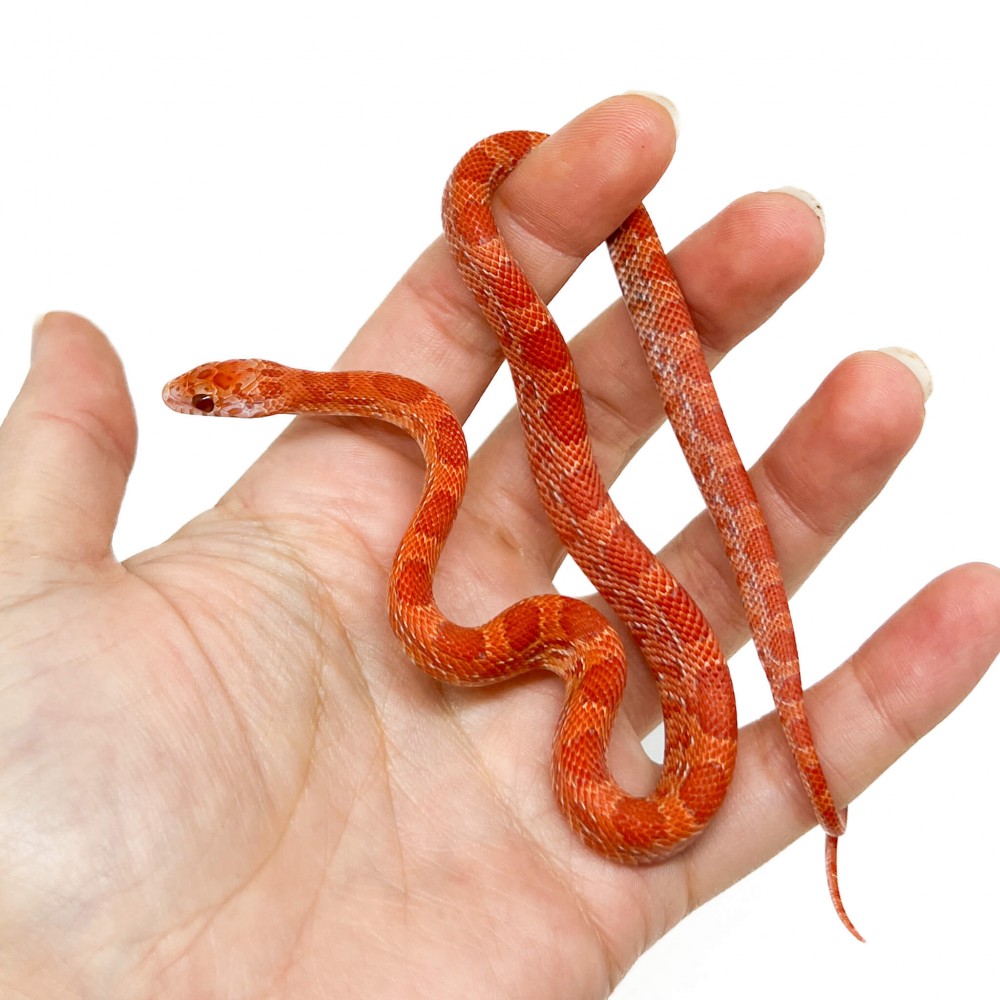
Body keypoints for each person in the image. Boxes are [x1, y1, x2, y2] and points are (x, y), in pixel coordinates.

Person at [0, 94, 996, 997]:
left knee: (600, 596)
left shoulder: (419, 392)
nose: (197, 403)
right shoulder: (397, 421)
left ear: (261, 390)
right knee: (582, 600)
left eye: (210, 398)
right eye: (210, 398)